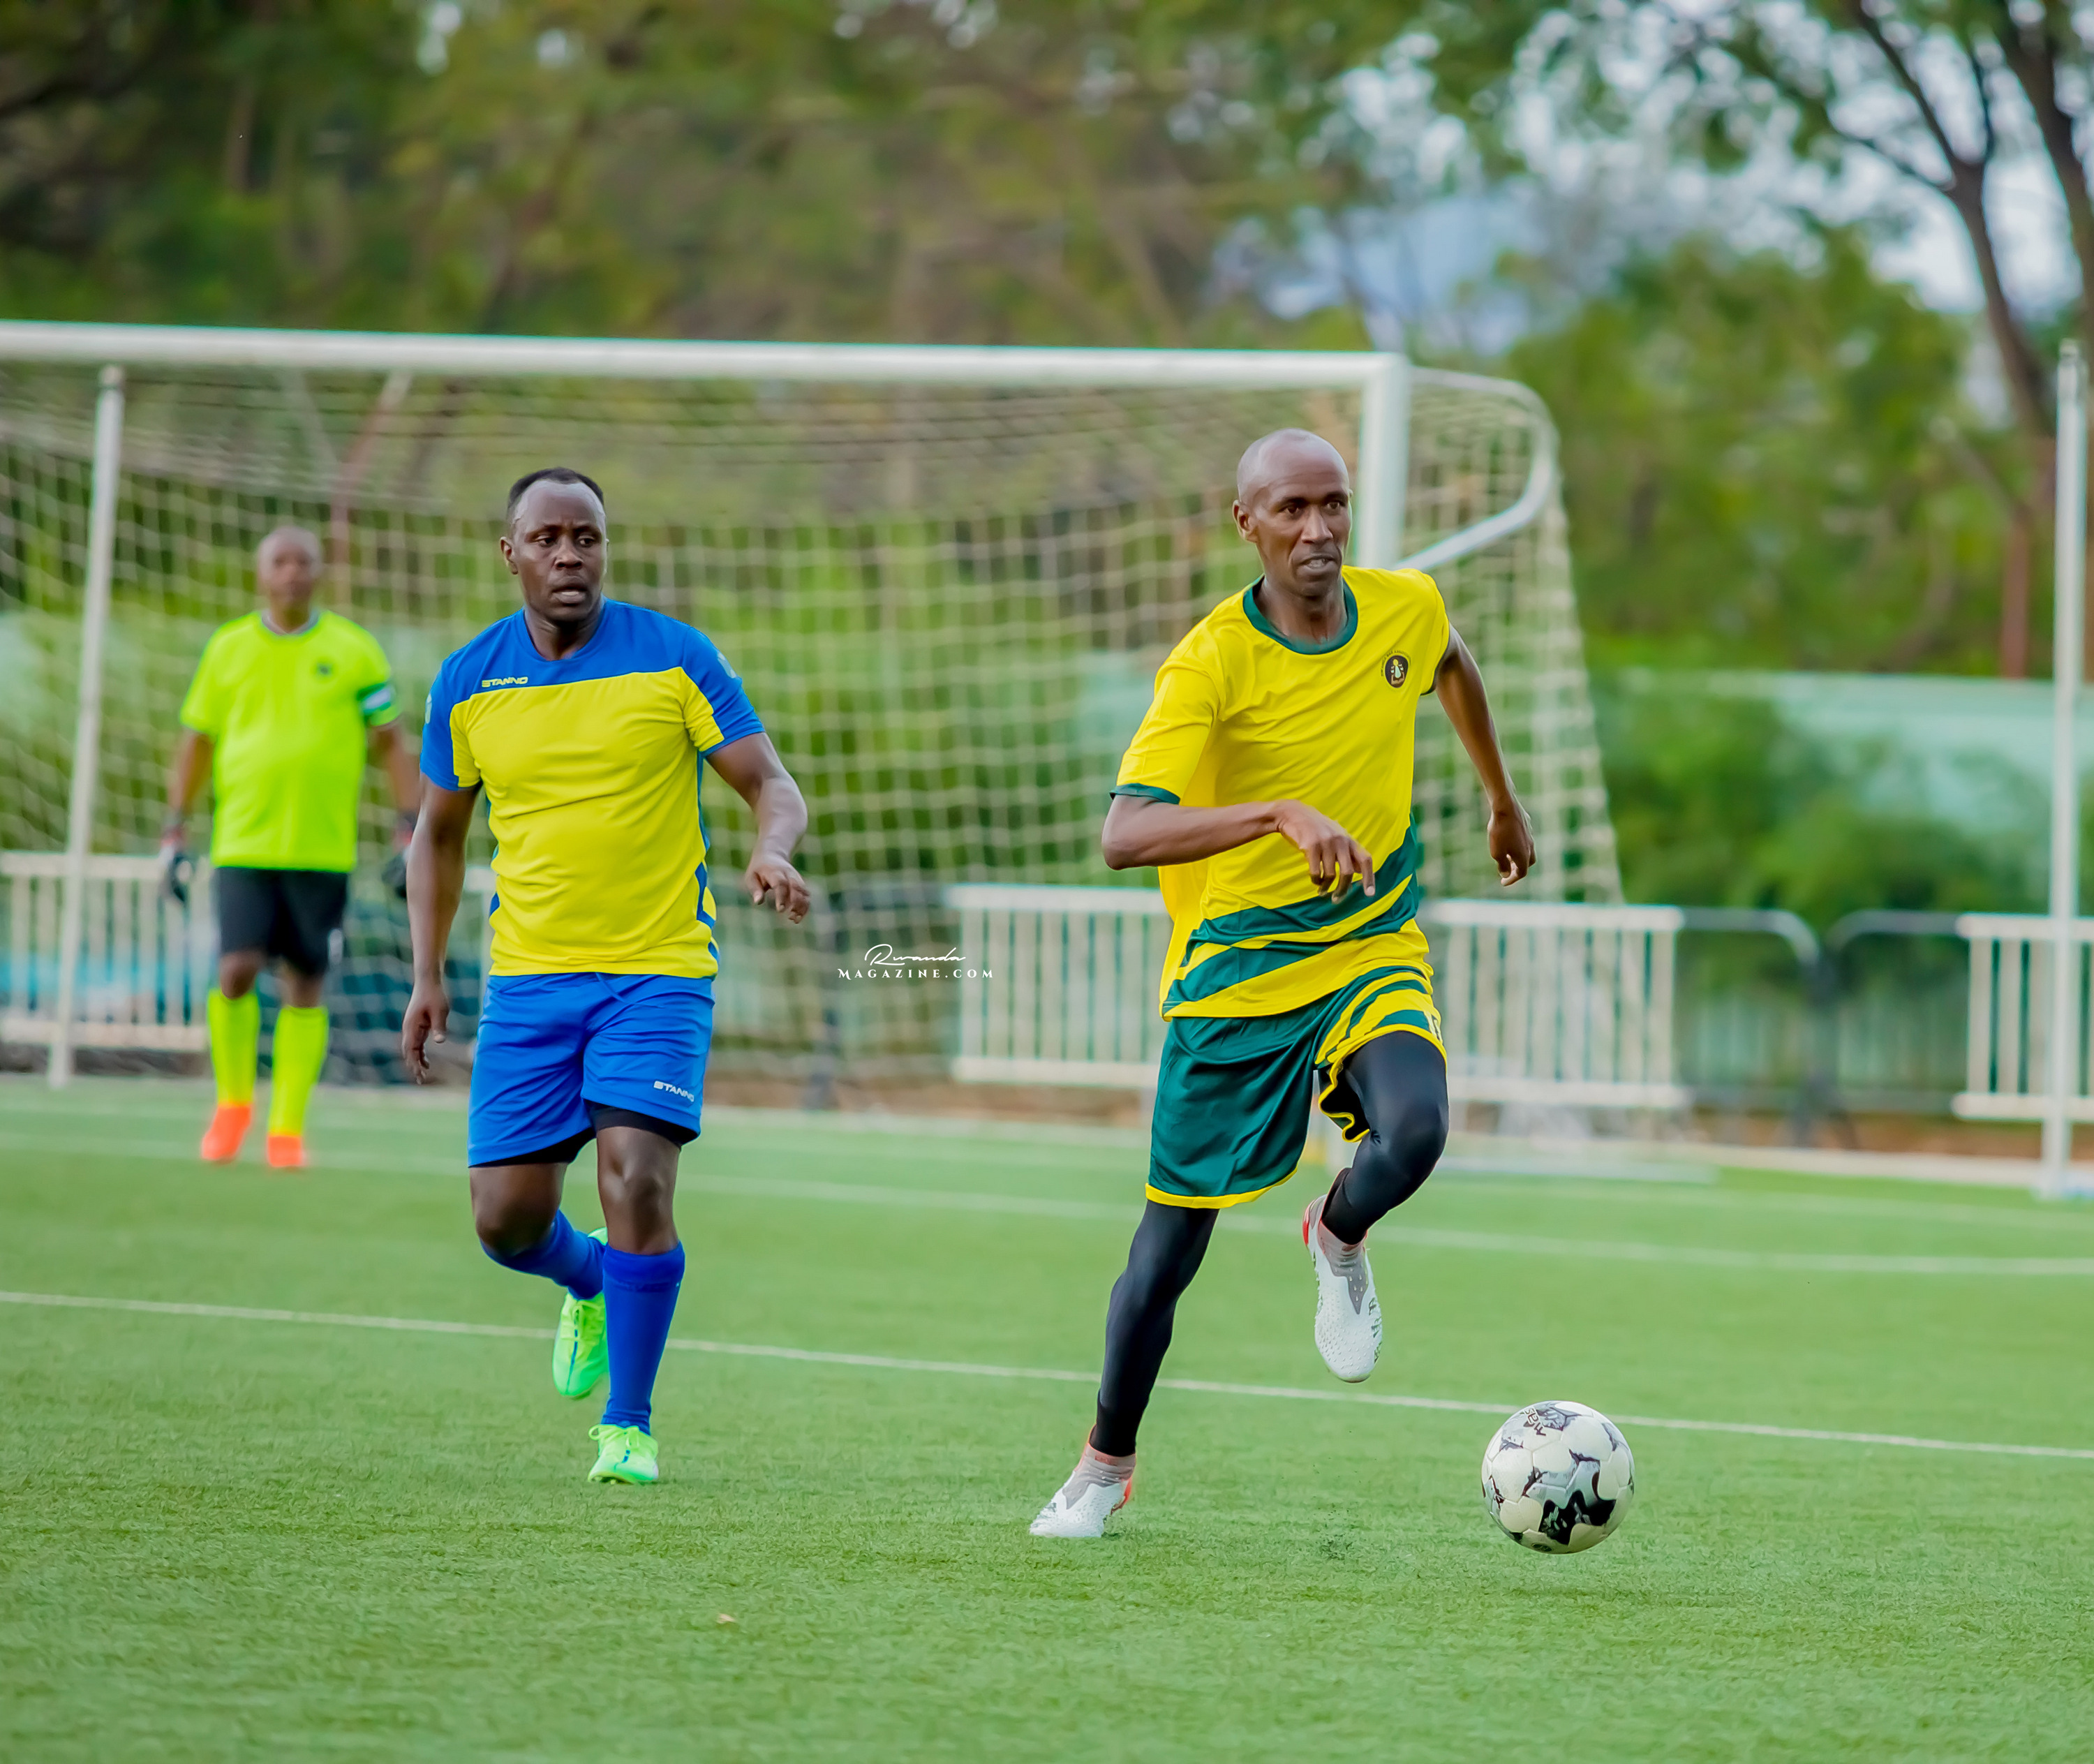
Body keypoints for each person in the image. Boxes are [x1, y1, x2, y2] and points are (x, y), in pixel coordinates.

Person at [1030, 429, 1537, 1539]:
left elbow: (1451, 659)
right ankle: (1105, 1463)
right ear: (1246, 521)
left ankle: (1337, 1231)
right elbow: (1124, 834)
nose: (1319, 529)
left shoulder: (1403, 606)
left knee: (1416, 1132)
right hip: (1237, 968)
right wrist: (1275, 813)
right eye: (1294, 509)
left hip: (1368, 942)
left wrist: (1500, 797)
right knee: (1168, 1251)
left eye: (1334, 504)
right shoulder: (1211, 660)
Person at [401, 467, 811, 1488]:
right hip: (529, 981)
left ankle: (627, 1426)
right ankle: (586, 1278)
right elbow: (437, 837)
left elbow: (770, 781)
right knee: (504, 1222)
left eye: (586, 537)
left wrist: (772, 847)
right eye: (547, 538)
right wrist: (427, 973)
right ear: (511, 553)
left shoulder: (676, 656)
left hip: (656, 972)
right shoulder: (467, 680)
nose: (569, 555)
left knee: (636, 1175)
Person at [163, 525, 419, 1170]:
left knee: (306, 980)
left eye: (304, 561)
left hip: (323, 849)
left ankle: (287, 1128)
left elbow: (391, 740)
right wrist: (174, 825)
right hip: (242, 844)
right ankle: (232, 1106)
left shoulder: (354, 650)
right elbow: (196, 741)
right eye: (280, 561)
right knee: (236, 969)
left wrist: (409, 824)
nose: (293, 572)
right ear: (261, 573)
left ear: (319, 572)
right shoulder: (227, 648)